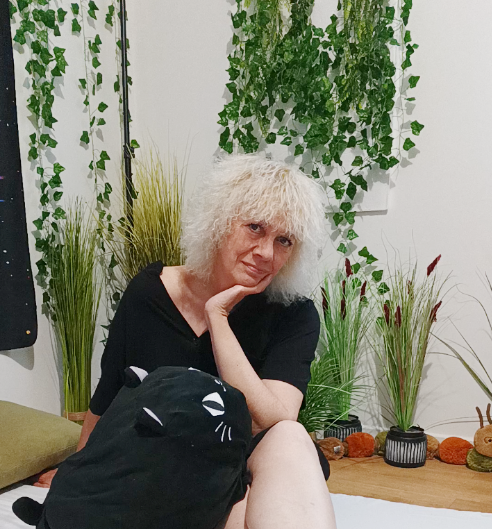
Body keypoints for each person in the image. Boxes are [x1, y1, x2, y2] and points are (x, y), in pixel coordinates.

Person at [37, 154, 337, 529]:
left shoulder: (294, 314)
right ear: (219, 221)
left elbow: (273, 419)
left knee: (291, 437)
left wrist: (218, 318)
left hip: (237, 470)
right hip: (159, 470)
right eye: (255, 228)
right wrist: (77, 470)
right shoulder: (148, 294)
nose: (266, 253)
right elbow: (109, 397)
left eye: (284, 240)